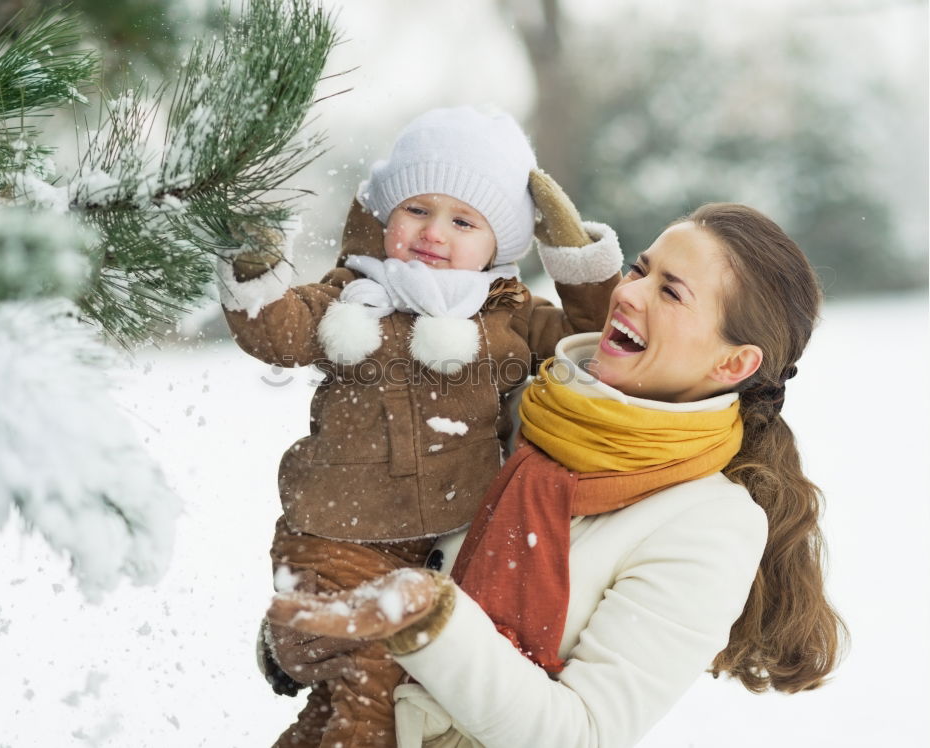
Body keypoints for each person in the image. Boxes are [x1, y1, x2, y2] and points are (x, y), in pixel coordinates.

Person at [268, 202, 847, 748]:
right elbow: (400, 532)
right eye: (639, 269)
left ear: (733, 363)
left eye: (670, 292)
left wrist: (425, 618)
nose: (629, 293)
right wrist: (326, 626)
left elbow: (582, 732)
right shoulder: (519, 404)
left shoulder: (710, 524)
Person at [217, 106, 623, 747]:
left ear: (501, 242)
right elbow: (278, 330)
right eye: (416, 209)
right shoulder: (352, 297)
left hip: (443, 553)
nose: (434, 232)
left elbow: (598, 346)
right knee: (375, 679)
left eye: (464, 220)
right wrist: (253, 264)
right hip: (333, 542)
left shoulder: (509, 317)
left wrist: (576, 260)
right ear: (385, 215)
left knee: (356, 706)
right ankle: (297, 629)